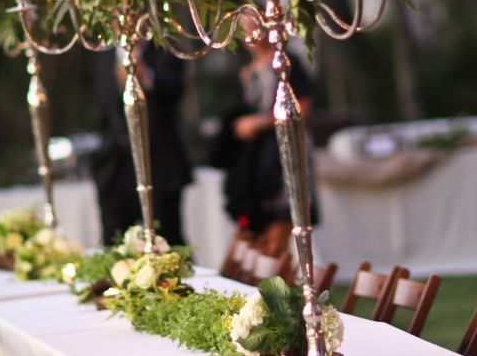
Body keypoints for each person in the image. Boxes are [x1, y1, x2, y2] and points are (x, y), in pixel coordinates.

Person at [211, 23, 315, 255]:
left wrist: (259, 123)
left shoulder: (288, 63)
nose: (251, 35)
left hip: (284, 152)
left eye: (254, 27)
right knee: (255, 230)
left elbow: (303, 108)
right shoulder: (247, 72)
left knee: (281, 227)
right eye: (244, 30)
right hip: (256, 159)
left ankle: (281, 284)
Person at [90, 42, 191, 245]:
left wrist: (145, 76)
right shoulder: (105, 55)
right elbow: (105, 110)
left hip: (159, 164)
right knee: (115, 241)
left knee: (166, 237)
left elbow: (175, 90)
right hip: (116, 167)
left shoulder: (163, 48)